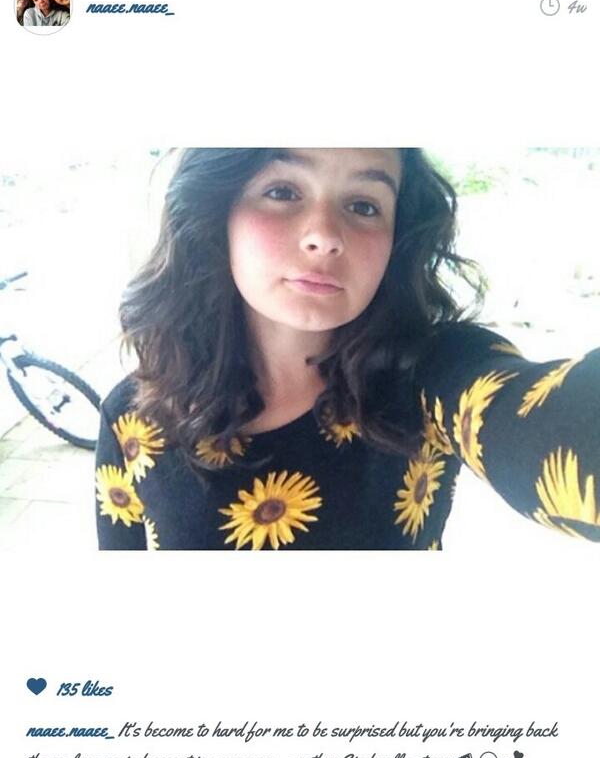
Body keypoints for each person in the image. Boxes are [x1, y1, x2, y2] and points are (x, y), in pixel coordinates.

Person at [95, 148, 600, 550]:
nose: (324, 236)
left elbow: (537, 422)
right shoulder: (133, 418)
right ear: (217, 212)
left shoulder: (428, 377)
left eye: (363, 205)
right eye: (282, 191)